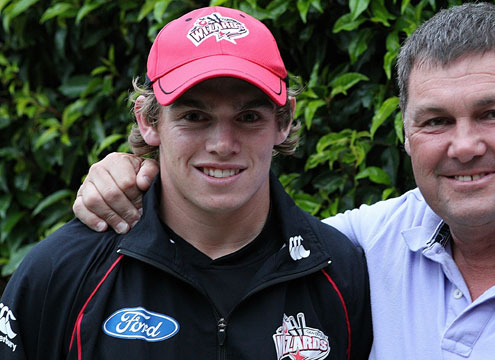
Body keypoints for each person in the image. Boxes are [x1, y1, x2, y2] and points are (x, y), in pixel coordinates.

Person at [59, 2, 495, 359]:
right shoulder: (359, 248)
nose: (464, 145)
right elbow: (229, 226)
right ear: (404, 133)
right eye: (435, 120)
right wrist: (133, 176)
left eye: (494, 113)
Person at [0, 6, 373, 359]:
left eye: (248, 116)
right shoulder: (62, 271)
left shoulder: (340, 271)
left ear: (284, 121)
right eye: (194, 116)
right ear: (148, 120)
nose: (222, 145)